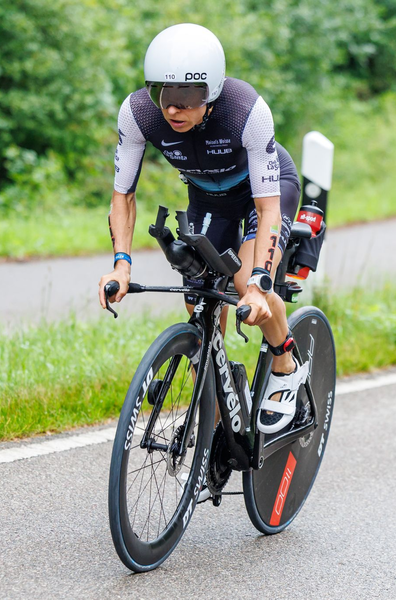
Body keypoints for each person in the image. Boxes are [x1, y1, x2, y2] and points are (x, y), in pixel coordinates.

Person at [97, 23, 308, 434]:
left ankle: (285, 365)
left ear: (210, 93)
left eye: (186, 97)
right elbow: (122, 195)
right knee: (199, 294)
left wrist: (261, 283)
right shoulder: (137, 113)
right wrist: (121, 264)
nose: (172, 109)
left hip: (263, 193)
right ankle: (213, 408)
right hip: (209, 200)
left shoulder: (246, 111)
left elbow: (267, 209)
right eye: (163, 95)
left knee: (247, 281)